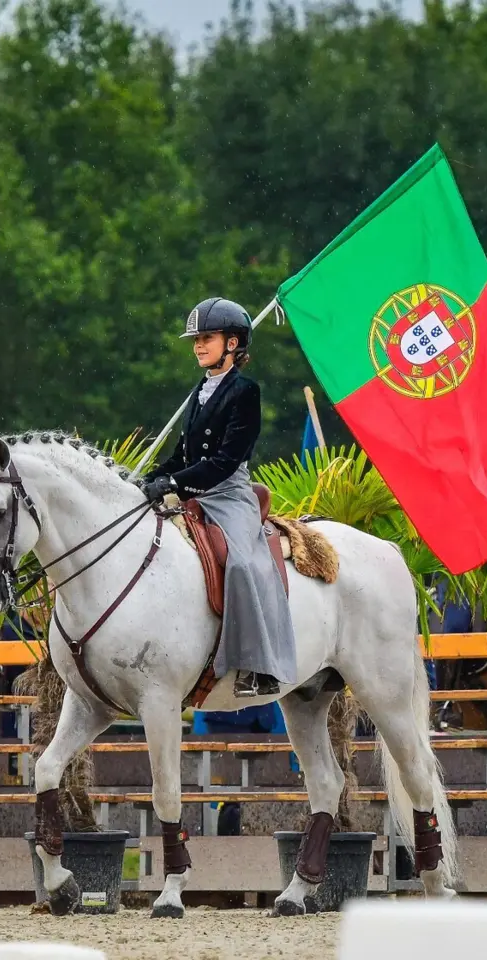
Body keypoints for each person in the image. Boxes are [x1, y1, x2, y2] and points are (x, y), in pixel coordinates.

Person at [141, 297, 297, 698]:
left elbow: (226, 460)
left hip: (229, 494)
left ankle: (259, 665)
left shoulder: (246, 392)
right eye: (196, 339)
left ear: (232, 343)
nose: (197, 345)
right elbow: (183, 454)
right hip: (194, 492)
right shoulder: (200, 391)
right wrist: (150, 479)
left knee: (243, 563)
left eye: (206, 338)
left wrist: (175, 484)